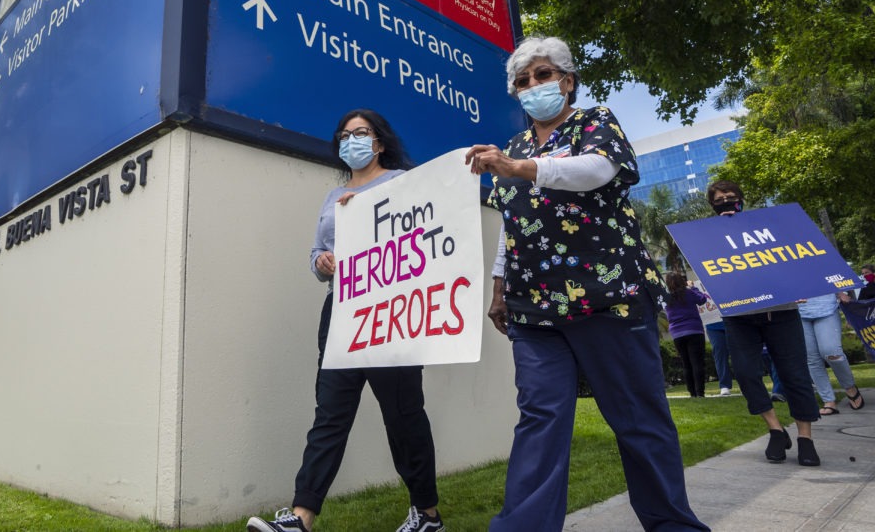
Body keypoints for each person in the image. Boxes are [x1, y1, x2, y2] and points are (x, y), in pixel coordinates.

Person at [466, 36, 707, 531]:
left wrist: (522, 168)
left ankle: (672, 525)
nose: (533, 86)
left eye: (543, 74)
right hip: (533, 306)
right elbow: (514, 223)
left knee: (637, 419)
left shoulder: (594, 122)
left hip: (608, 295)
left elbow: (597, 171)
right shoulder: (511, 148)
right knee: (539, 419)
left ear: (567, 81)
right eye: (522, 80)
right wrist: (497, 284)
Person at [248, 110, 444, 532]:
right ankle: (301, 517)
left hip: (388, 311)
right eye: (344, 135)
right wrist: (320, 261)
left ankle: (428, 514)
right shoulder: (331, 197)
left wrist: (372, 214)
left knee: (403, 414)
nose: (351, 140)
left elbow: (420, 239)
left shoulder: (400, 183)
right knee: (330, 414)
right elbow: (315, 255)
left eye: (361, 133)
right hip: (341, 310)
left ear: (379, 142)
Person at [706, 180, 822, 466]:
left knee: (794, 374)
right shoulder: (706, 237)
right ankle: (775, 429)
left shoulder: (768, 226)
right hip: (739, 317)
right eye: (719, 199)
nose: (726, 202)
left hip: (781, 311)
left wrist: (802, 284)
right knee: (745, 373)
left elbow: (794, 256)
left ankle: (805, 438)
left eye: (731, 197)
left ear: (741, 199)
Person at [798, 293, 863, 414]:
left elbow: (832, 274)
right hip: (798, 311)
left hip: (827, 307)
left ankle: (850, 388)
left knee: (832, 352)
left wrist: (839, 293)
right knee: (812, 359)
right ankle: (828, 400)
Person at [664, 272, 709, 397]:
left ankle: (692, 393)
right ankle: (700, 393)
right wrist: (693, 287)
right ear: (682, 281)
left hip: (677, 333)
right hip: (694, 329)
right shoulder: (689, 292)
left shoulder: (666, 297)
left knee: (686, 364)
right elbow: (702, 299)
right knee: (697, 363)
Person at [705, 318, 734, 396]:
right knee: (719, 353)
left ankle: (746, 383)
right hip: (712, 325)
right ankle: (724, 385)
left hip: (732, 321)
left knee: (738, 353)